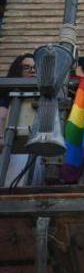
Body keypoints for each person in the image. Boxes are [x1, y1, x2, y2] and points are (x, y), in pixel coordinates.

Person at [1, 53, 44, 186]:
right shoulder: (6, 94)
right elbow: (1, 114)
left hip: (39, 154)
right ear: (18, 71)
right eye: (26, 67)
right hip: (12, 152)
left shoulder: (48, 94)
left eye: (36, 68)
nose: (32, 71)